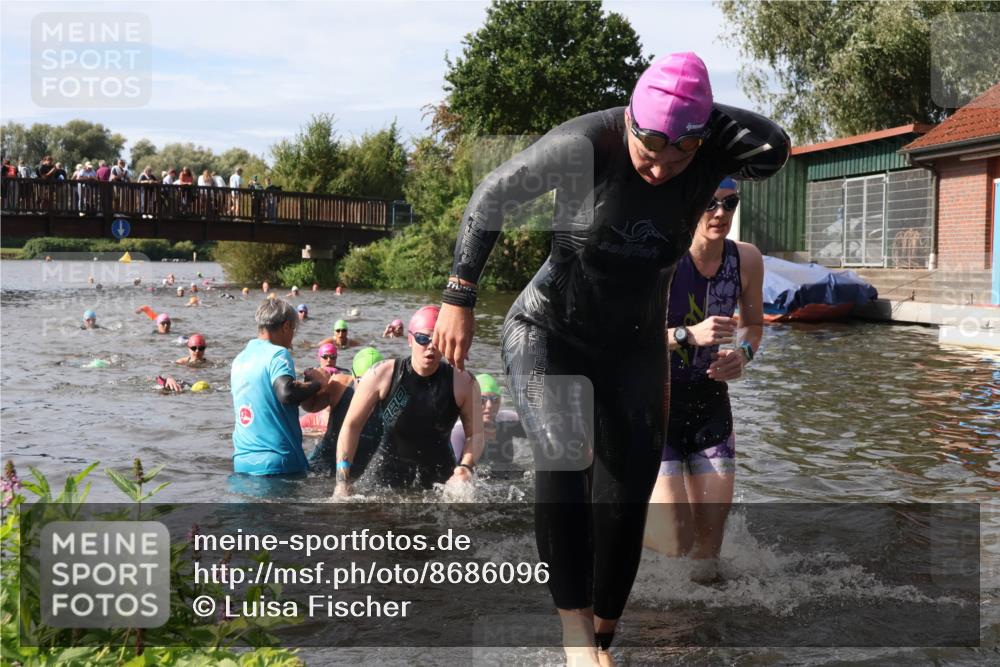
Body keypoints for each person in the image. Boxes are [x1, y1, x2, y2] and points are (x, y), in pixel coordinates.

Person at [431, 52, 788, 663]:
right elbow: (490, 198)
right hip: (549, 329)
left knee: (627, 489)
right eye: (648, 151)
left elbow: (776, 145)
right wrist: (459, 297)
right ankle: (574, 637)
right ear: (628, 121)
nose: (658, 169)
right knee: (567, 453)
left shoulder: (713, 152)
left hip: (632, 346)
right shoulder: (587, 144)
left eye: (677, 158)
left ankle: (602, 639)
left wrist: (692, 119)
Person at [643, 177, 763, 582]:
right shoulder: (661, 260)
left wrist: (741, 355)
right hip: (657, 406)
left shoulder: (746, 259)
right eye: (709, 203)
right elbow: (624, 338)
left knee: (708, 549)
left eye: (730, 204)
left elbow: (754, 327)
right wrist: (686, 335)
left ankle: (701, 634)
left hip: (711, 405)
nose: (720, 213)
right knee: (675, 540)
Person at [333, 306, 481, 492]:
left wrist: (465, 468)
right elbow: (351, 425)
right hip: (385, 474)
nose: (430, 346)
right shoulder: (382, 375)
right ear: (410, 339)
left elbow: (475, 434)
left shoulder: (464, 382)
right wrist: (342, 481)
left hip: (440, 476)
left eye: (436, 340)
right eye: (422, 338)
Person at [231, 299, 337, 476]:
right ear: (286, 326)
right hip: (278, 461)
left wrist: (303, 385)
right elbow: (286, 393)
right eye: (293, 330)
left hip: (242, 462)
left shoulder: (240, 359)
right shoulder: (278, 353)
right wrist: (319, 383)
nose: (292, 338)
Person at [449, 373, 526, 477]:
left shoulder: (507, 420)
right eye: (482, 400)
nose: (489, 405)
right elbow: (449, 472)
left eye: (495, 400)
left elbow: (541, 431)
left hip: (506, 481)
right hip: (476, 483)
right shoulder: (459, 432)